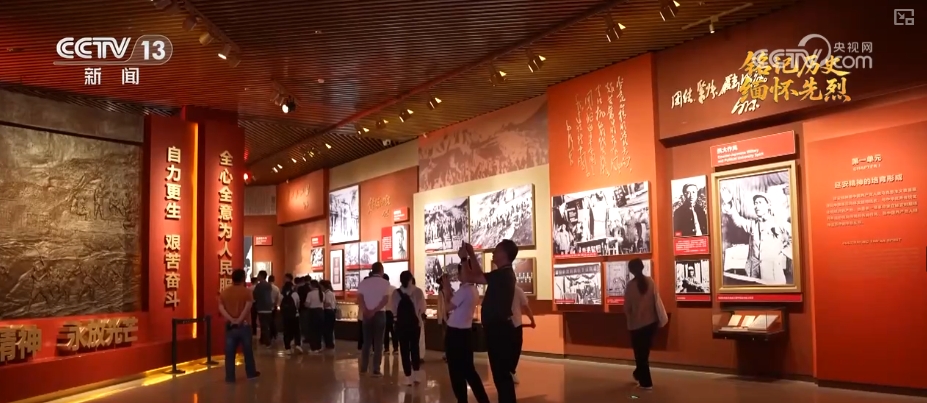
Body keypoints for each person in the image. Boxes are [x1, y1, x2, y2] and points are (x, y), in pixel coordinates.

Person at [459, 240, 517, 403]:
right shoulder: (503, 274)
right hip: (499, 329)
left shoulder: (503, 275)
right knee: (501, 376)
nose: (493, 253)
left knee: (501, 376)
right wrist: (471, 254)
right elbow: (479, 276)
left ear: (504, 254)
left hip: (499, 330)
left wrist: (464, 259)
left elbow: (469, 277)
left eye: (496, 250)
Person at [442, 266, 490, 403]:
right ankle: (483, 399)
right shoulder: (473, 290)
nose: (459, 275)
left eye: (461, 272)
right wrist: (448, 289)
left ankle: (462, 400)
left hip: (455, 333)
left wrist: (446, 289)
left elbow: (448, 307)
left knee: (456, 371)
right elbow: (454, 302)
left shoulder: (464, 290)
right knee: (469, 370)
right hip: (465, 333)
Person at [721, 191, 792, 284]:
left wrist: (783, 250)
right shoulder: (753, 224)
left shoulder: (778, 223)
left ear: (768, 205)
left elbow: (794, 236)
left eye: (760, 203)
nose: (756, 206)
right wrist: (729, 201)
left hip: (773, 275)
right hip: (754, 274)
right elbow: (739, 221)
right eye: (755, 203)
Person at [624, 258, 668, 390]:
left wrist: (630, 316)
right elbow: (656, 301)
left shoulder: (630, 286)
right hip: (651, 324)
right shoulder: (651, 282)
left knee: (640, 355)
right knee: (644, 353)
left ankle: (646, 382)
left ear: (631, 270)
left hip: (636, 325)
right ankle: (639, 374)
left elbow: (627, 307)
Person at [218, 269, 259, 382]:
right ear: (243, 278)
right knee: (248, 351)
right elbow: (247, 308)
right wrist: (239, 320)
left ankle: (230, 377)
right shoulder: (247, 292)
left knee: (229, 353)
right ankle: (251, 374)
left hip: (230, 326)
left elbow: (221, 308)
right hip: (244, 326)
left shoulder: (225, 292)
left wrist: (232, 320)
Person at [390, 271, 426, 386]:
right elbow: (423, 309)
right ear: (411, 279)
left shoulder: (396, 293)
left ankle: (408, 376)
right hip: (415, 325)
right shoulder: (418, 292)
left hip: (401, 325)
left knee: (404, 350)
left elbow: (393, 310)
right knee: (415, 348)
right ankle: (416, 375)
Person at [357, 262, 391, 376]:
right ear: (381, 270)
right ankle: (376, 369)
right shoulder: (385, 283)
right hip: (380, 314)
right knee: (378, 342)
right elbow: (385, 300)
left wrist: (366, 310)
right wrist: (375, 310)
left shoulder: (364, 283)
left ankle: (363, 367)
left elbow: (360, 298)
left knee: (366, 342)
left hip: (366, 314)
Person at [510, 285, 535, 384]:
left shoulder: (499, 289)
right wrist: (532, 320)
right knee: (515, 349)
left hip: (502, 324)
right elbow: (526, 307)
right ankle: (511, 371)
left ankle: (506, 371)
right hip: (516, 324)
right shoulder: (518, 290)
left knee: (505, 349)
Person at [280, 274, 303, 355]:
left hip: (285, 316)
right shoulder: (295, 294)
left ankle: (287, 347)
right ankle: (297, 344)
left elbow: (279, 304)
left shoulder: (281, 295)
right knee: (296, 330)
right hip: (295, 315)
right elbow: (298, 304)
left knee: (286, 331)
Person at [252, 271, 274, 347]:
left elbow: (255, 295)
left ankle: (267, 341)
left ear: (261, 276)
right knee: (267, 325)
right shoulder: (269, 285)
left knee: (263, 325)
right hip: (269, 307)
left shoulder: (259, 286)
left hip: (261, 307)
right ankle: (263, 339)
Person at [305, 279, 325, 353]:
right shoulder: (322, 293)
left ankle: (313, 348)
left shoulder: (310, 294)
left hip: (313, 313)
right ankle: (319, 346)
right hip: (321, 312)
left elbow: (307, 304)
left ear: (312, 285)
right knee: (319, 330)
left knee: (312, 331)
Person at [382, 273, 399, 355]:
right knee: (394, 331)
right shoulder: (394, 289)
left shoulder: (382, 290)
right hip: (393, 312)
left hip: (385, 312)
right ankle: (396, 348)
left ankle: (386, 349)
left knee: (385, 331)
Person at [321, 280, 337, 350]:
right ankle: (329, 343)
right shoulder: (331, 293)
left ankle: (329, 344)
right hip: (332, 311)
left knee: (327, 329)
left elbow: (328, 303)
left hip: (328, 311)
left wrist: (320, 305)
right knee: (330, 329)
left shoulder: (327, 294)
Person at [295, 276, 310, 343]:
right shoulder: (312, 288)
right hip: (311, 308)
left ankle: (306, 337)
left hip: (303, 308)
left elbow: (299, 298)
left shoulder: (300, 288)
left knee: (304, 323)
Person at [437, 281, 449, 362]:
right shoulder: (443, 293)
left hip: (446, 317)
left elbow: (440, 306)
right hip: (446, 317)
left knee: (446, 336)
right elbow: (440, 306)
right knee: (446, 336)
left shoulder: (442, 292)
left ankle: (446, 353)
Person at [268, 275, 281, 342]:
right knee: (273, 320)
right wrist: (277, 305)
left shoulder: (266, 287)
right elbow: (278, 298)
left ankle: (270, 334)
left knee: (268, 321)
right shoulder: (276, 288)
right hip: (274, 306)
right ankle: (274, 333)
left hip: (267, 306)